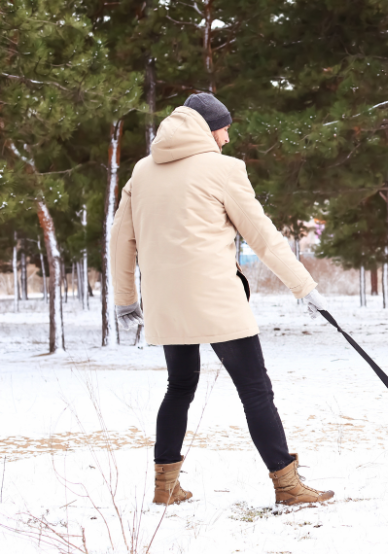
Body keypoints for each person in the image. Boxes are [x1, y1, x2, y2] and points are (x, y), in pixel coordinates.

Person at [110, 93, 334, 507]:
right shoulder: (224, 169)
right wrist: (304, 286)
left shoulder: (140, 173)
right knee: (255, 389)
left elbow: (121, 240)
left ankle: (165, 486)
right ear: (207, 128)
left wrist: (125, 299)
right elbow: (263, 236)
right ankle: (287, 486)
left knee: (179, 386)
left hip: (166, 302)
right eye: (224, 128)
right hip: (215, 298)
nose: (228, 138)